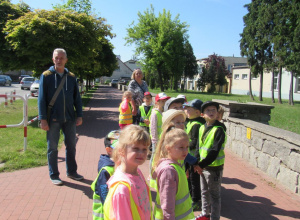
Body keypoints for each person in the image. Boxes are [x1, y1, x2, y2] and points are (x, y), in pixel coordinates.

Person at [38, 48, 83, 185]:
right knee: (52, 147)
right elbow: (41, 99)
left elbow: (77, 98)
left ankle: (72, 172)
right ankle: (54, 174)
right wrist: (43, 119)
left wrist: (79, 115)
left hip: (69, 118)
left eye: (62, 58)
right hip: (53, 119)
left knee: (71, 146)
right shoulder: (46, 76)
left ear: (66, 60)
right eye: (56, 58)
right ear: (53, 59)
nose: (59, 60)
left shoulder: (71, 77)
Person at [103, 125, 152, 220]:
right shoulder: (122, 190)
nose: (141, 153)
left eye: (144, 149)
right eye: (136, 149)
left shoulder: (137, 172)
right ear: (121, 151)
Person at [152, 124, 195, 220]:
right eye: (181, 147)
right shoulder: (168, 171)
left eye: (187, 147)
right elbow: (167, 204)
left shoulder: (176, 165)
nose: (185, 151)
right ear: (168, 148)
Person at [195, 101, 227, 220]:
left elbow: (215, 151)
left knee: (214, 195)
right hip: (202, 167)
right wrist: (196, 163)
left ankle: (214, 217)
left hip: (214, 168)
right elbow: (199, 146)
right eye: (208, 110)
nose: (211, 112)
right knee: (204, 191)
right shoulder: (202, 127)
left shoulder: (219, 129)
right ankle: (205, 213)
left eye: (214, 110)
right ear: (203, 114)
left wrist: (201, 165)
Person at [183, 99, 206, 210]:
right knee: (188, 178)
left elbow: (194, 142)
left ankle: (196, 200)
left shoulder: (197, 124)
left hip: (193, 157)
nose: (186, 110)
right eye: (186, 108)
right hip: (188, 156)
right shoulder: (190, 121)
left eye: (189, 109)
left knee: (194, 180)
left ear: (197, 112)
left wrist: (182, 145)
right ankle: (190, 197)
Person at [91, 130, 119, 220]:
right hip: (103, 214)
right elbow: (104, 196)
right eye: (119, 149)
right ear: (109, 150)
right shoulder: (106, 171)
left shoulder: (119, 164)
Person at [149, 92, 170, 161]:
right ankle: (152, 171)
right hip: (157, 140)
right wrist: (155, 141)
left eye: (166, 101)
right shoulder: (155, 113)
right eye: (162, 101)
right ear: (157, 102)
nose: (164, 103)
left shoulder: (164, 113)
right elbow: (153, 128)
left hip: (164, 139)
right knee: (155, 157)